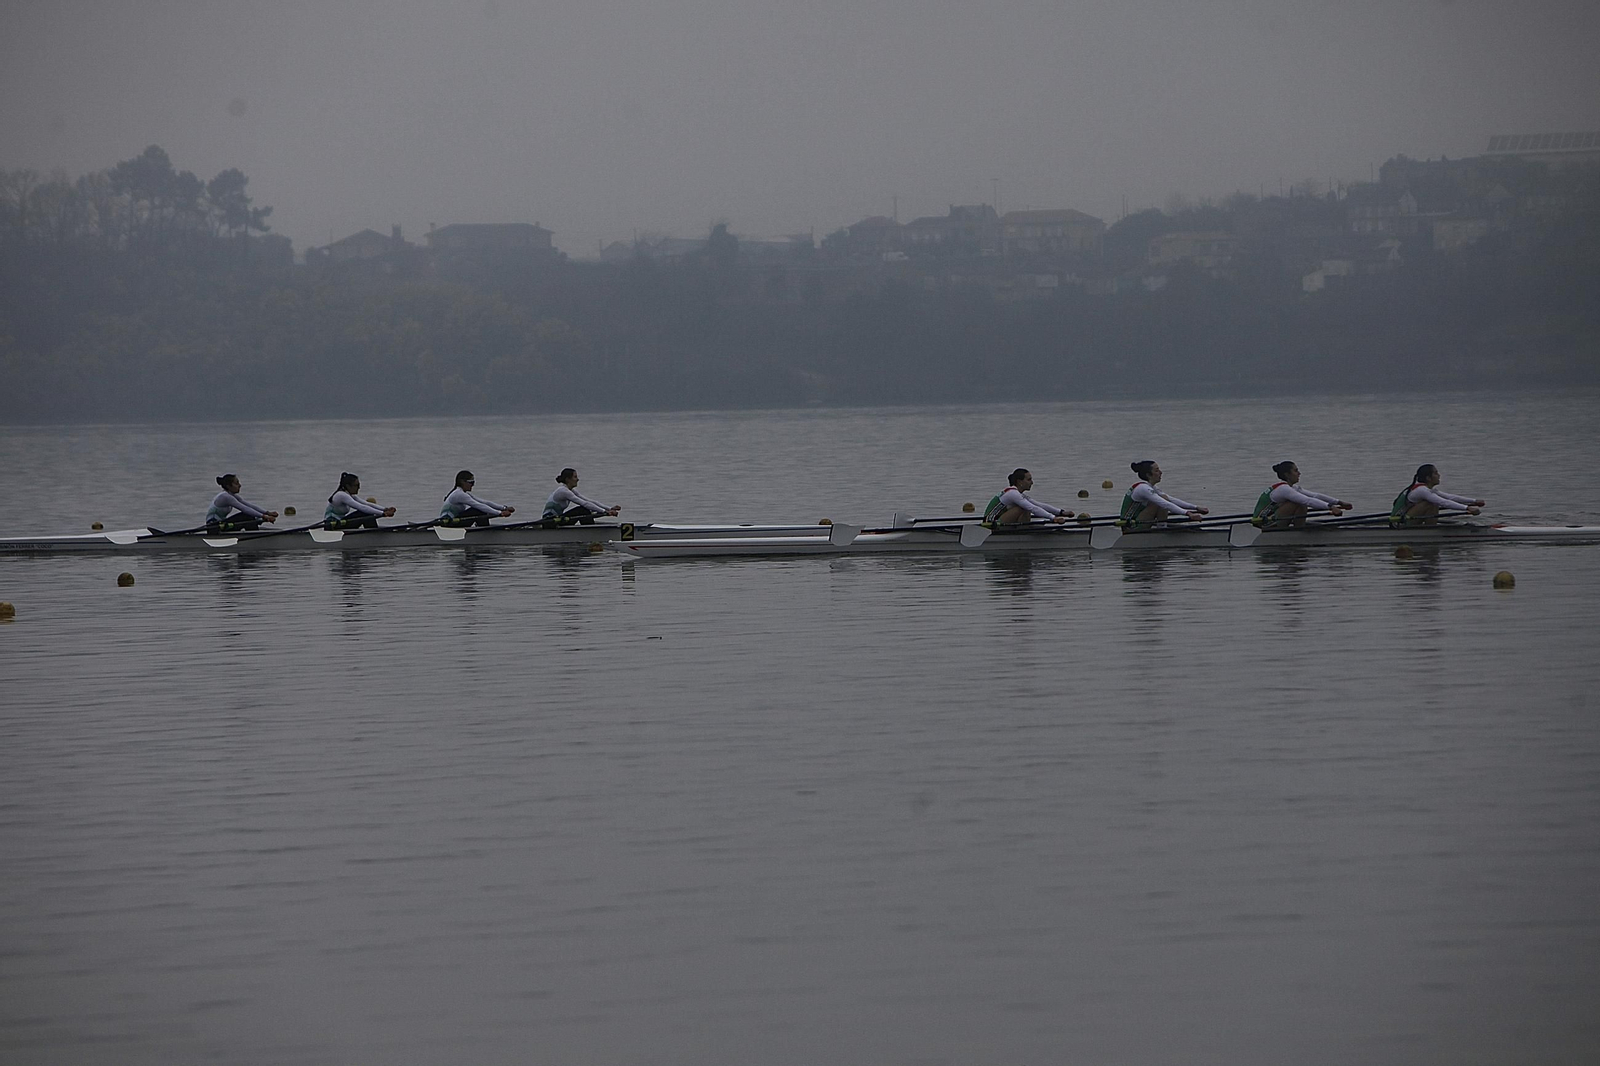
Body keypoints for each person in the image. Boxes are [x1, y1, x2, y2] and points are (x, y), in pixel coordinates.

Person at [1252, 461, 1352, 528]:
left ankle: (1299, 529)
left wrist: (1340, 502)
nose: (1299, 473)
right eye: (1295, 471)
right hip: (1262, 523)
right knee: (1299, 502)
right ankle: (1299, 531)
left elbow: (1315, 496)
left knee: (1301, 501)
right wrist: (1331, 507)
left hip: (1275, 518)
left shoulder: (1292, 488)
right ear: (1287, 474)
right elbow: (1307, 501)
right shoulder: (1283, 489)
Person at [1118, 460, 1209, 529]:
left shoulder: (1151, 487)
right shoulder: (1143, 488)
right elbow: (1165, 504)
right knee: (1160, 502)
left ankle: (1162, 527)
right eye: (1157, 470)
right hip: (1130, 526)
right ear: (1149, 475)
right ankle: (1162, 529)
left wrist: (1196, 508)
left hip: (1139, 521)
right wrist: (1189, 514)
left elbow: (1171, 500)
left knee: (1164, 498)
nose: (1161, 472)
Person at [1390, 464, 1485, 525]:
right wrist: (1467, 508)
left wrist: (1474, 501)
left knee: (1433, 501)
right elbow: (1443, 502)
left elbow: (1450, 497)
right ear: (1428, 478)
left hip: (1405, 518)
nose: (1439, 475)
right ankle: (1431, 530)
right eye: (1436, 473)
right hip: (1399, 523)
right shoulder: (1422, 490)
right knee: (1431, 503)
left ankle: (1430, 527)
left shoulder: (1425, 489)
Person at [982, 468, 1074, 526]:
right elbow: (1032, 508)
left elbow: (1038, 505)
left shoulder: (1017, 494)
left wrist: (1061, 512)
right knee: (1024, 507)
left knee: (1026, 506)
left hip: (999, 519)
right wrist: (1053, 518)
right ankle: (1024, 532)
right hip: (990, 523)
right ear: (1020, 482)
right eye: (1029, 480)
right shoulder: (1012, 494)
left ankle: (1024, 529)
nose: (1032, 482)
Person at [543, 468, 620, 524]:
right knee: (582, 510)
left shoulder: (571, 490)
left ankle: (590, 530)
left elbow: (588, 501)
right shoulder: (563, 491)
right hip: (549, 521)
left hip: (559, 519)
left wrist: (609, 508)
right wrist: (605, 512)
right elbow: (584, 504)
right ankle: (590, 533)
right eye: (575, 477)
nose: (578, 479)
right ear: (568, 479)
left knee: (587, 509)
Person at [439, 470, 514, 526]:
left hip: (455, 520)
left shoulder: (463, 493)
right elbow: (478, 505)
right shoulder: (459, 494)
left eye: (473, 482)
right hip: (448, 523)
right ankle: (485, 533)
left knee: (480, 510)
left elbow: (484, 502)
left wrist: (503, 508)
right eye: (471, 482)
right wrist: (500, 513)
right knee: (478, 510)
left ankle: (484, 530)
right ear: (462, 482)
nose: (473, 485)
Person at [324, 472, 396, 529]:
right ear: (348, 486)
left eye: (359, 485)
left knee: (367, 512)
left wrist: (385, 509)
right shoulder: (341, 495)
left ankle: (372, 532)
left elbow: (367, 504)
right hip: (332, 525)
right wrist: (382, 514)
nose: (359, 488)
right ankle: (373, 535)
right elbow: (362, 507)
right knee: (364, 512)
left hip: (341, 523)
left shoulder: (350, 495)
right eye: (357, 485)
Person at [206, 474, 277, 530]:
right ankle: (254, 540)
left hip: (222, 524)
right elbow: (244, 509)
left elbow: (249, 506)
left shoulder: (231, 495)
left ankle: (253, 534)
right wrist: (264, 516)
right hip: (214, 526)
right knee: (247, 515)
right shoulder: (225, 497)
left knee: (252, 516)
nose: (240, 485)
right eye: (236, 483)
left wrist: (267, 513)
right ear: (228, 486)